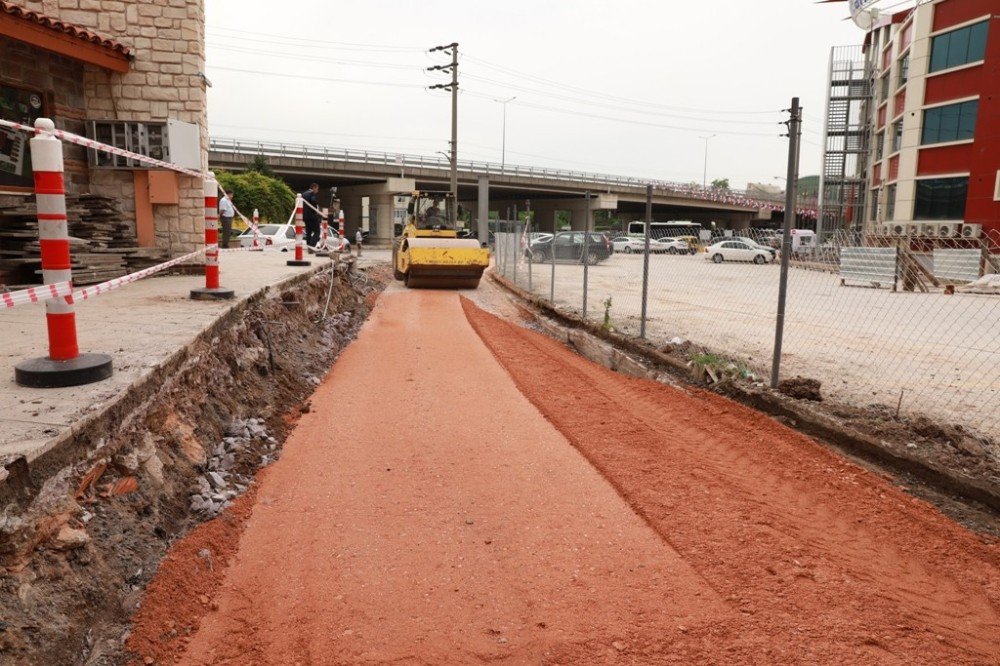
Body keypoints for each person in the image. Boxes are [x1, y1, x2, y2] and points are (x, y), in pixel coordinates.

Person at [302, 183, 321, 249]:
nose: (317, 191)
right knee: (317, 231)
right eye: (317, 189)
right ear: (314, 188)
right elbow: (313, 201)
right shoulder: (311, 193)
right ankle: (311, 246)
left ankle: (308, 245)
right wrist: (316, 209)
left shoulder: (303, 194)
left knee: (308, 232)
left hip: (305, 216)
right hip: (312, 216)